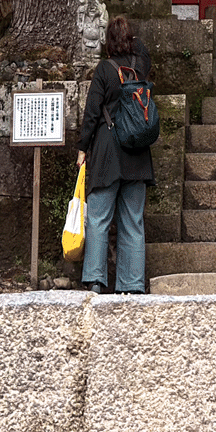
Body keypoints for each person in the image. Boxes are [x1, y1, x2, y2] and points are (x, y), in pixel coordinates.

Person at [77, 15, 153, 294]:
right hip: (137, 152)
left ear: (107, 42)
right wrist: (131, 39)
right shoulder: (141, 67)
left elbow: (92, 112)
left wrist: (82, 148)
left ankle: (96, 280)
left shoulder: (104, 70)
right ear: (131, 41)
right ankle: (132, 285)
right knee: (133, 220)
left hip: (108, 153)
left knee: (98, 218)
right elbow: (143, 49)